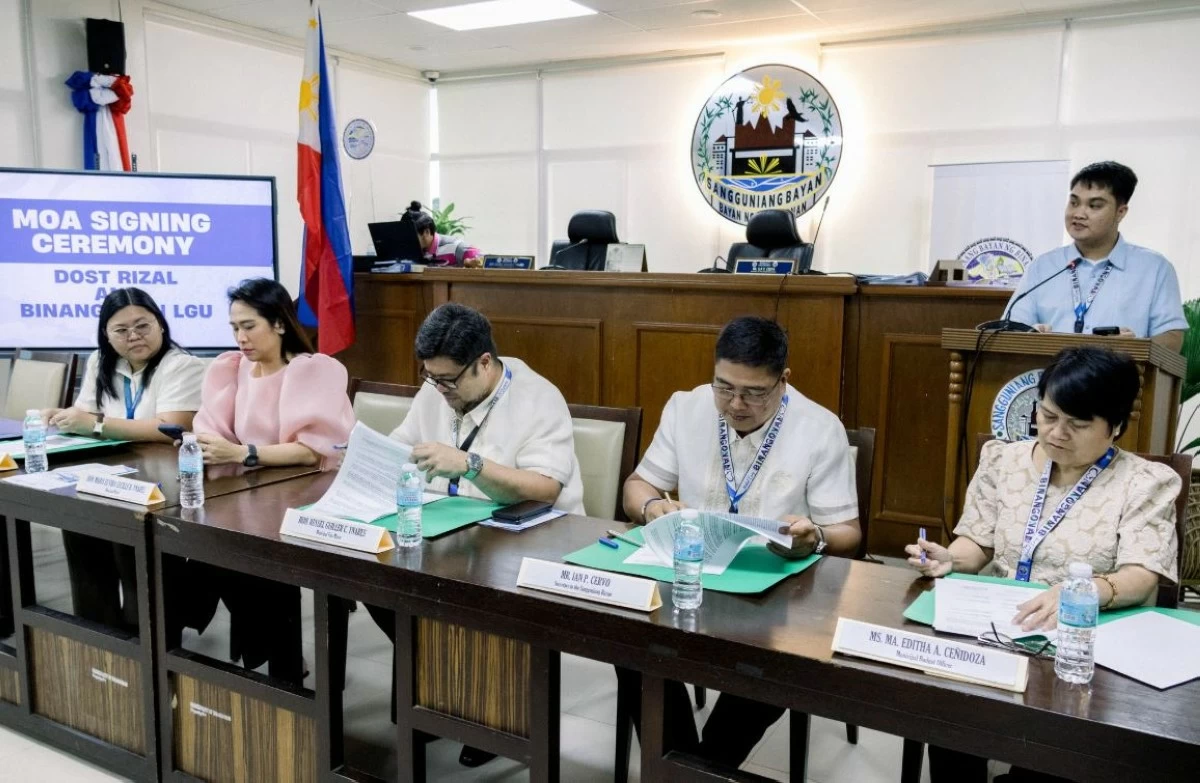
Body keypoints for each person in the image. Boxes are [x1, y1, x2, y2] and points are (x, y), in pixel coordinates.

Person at [907, 346, 1180, 783]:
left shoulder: (1144, 483)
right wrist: (948, 557)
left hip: (1078, 645)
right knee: (952, 718)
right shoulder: (1004, 460)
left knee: (1052, 752)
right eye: (1048, 415)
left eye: (1078, 424)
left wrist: (1081, 593)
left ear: (1117, 427)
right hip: (995, 630)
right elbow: (977, 542)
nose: (1056, 433)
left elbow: (1142, 575)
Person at [617, 315, 861, 769]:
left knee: (779, 662)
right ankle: (688, 770)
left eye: (753, 392)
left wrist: (817, 535)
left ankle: (687, 770)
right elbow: (637, 486)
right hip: (690, 573)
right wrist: (652, 507)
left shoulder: (818, 427)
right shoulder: (686, 407)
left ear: (783, 380)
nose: (735, 404)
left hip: (773, 590)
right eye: (724, 387)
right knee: (625, 638)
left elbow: (848, 532)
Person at [368, 302, 584, 767]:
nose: (438, 389)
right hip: (449, 532)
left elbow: (546, 488)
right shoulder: (436, 390)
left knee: (472, 595)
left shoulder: (537, 397)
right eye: (431, 378)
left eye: (448, 380)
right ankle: (441, 696)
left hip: (525, 539)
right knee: (374, 577)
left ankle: (481, 711)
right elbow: (403, 446)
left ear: (484, 363)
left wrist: (471, 464)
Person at [191, 277, 354, 683]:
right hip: (246, 494)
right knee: (203, 552)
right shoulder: (230, 369)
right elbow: (211, 433)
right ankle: (270, 659)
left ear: (279, 323)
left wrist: (244, 453)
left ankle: (281, 668)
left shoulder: (312, 370)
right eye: (234, 328)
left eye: (249, 326)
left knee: (251, 559)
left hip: (304, 495)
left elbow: (315, 450)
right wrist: (218, 450)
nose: (240, 337)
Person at [43, 287, 205, 633]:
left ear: (160, 324)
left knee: (125, 536)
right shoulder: (101, 362)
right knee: (79, 525)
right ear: (107, 334)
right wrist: (61, 415)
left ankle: (146, 638)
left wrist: (98, 425)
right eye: (121, 330)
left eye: (143, 325)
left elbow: (171, 429)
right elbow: (85, 412)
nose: (134, 337)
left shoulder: (183, 365)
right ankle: (99, 636)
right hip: (113, 473)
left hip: (165, 481)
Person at [1005, 161, 1186, 350]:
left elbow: (1171, 337)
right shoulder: (1043, 267)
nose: (1079, 213)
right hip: (1047, 376)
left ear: (1120, 212)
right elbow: (1010, 329)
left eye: (1094, 205)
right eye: (1074, 202)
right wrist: (1030, 335)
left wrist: (1132, 349)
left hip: (1119, 377)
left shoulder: (1154, 268)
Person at [407, 200, 482, 268]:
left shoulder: (455, 247)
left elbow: (483, 262)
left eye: (411, 235)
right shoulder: (414, 253)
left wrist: (472, 262)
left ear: (427, 232)